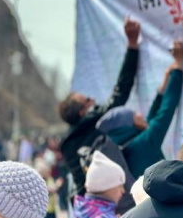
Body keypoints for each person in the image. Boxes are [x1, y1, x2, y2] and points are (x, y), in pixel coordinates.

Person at [59, 17, 141, 192]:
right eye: (88, 101)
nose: (94, 101)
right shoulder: (92, 123)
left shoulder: (66, 144)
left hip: (84, 204)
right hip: (108, 202)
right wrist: (132, 45)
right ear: (83, 112)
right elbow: (120, 94)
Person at [96, 39, 183, 179]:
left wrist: (164, 84)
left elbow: (151, 119)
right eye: (134, 116)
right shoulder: (143, 143)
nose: (139, 114)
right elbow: (165, 111)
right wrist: (179, 66)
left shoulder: (128, 146)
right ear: (128, 125)